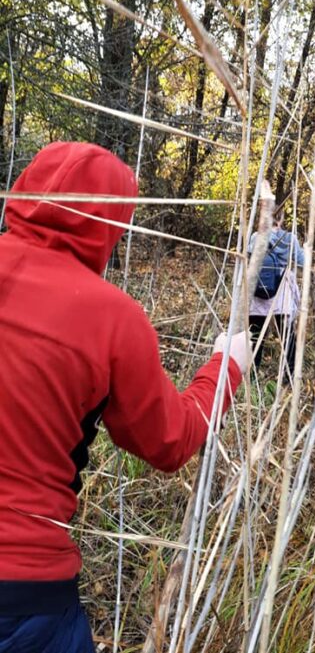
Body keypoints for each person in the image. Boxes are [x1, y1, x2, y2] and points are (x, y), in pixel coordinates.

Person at [0, 141, 249, 653]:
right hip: (26, 596)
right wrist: (227, 367)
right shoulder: (112, 317)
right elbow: (169, 441)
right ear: (112, 224)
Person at [248, 211, 305, 383]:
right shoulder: (290, 239)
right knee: (287, 335)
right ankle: (290, 374)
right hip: (281, 292)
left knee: (256, 334)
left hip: (259, 291)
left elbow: (249, 258)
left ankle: (251, 374)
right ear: (280, 219)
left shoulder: (256, 237)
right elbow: (302, 261)